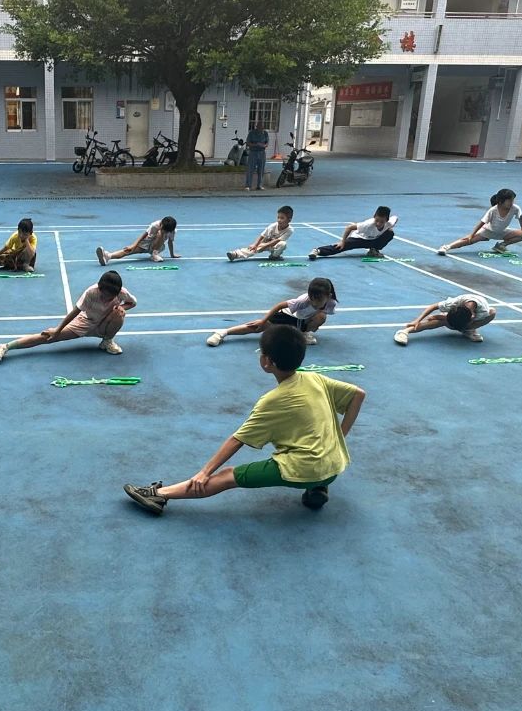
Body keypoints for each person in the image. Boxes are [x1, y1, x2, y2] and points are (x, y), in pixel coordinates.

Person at [123, 324, 365, 515]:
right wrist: (340, 437)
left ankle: (159, 495)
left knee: (227, 476)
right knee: (311, 438)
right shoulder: (316, 378)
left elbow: (237, 440)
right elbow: (358, 395)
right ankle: (318, 487)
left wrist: (204, 472)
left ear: (267, 362)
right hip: (335, 465)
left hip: (304, 468)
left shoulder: (272, 401)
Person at [0, 269, 135, 361]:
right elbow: (74, 312)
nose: (107, 299)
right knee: (47, 337)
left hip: (104, 323)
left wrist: (121, 307)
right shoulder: (91, 292)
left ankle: (107, 341)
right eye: (104, 295)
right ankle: (5, 347)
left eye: (111, 297)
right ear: (100, 288)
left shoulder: (121, 292)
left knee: (119, 313)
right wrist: (57, 330)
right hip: (85, 322)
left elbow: (132, 303)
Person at [206, 277, 337, 348]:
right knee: (258, 328)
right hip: (287, 315)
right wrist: (263, 321)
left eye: (318, 299)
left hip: (302, 320)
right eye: (312, 298)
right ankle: (222, 333)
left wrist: (310, 325)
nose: (314, 302)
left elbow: (319, 315)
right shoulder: (302, 301)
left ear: (328, 296)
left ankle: (304, 333)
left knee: (321, 316)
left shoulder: (331, 303)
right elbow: (279, 305)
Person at [437, 188, 522, 255]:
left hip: (502, 232)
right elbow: (482, 222)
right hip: (488, 231)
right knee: (467, 240)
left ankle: (501, 245)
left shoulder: (515, 208)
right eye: (509, 200)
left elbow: (520, 216)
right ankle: (446, 247)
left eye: (513, 200)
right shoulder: (493, 210)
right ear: (501, 201)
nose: (512, 202)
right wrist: (472, 234)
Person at [393, 293, 495, 345]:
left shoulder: (483, 312)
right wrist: (417, 320)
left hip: (472, 318)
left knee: (492, 312)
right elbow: (433, 306)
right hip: (461, 316)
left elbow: (470, 320)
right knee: (439, 322)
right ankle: (404, 331)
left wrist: (438, 316)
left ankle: (469, 330)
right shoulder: (454, 303)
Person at [310, 206, 398, 259]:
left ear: (387, 220)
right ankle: (317, 251)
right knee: (340, 247)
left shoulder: (389, 223)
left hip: (373, 241)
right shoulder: (367, 224)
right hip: (359, 239)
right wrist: (342, 241)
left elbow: (395, 217)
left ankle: (373, 250)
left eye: (382, 222)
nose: (378, 223)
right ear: (374, 216)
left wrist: (389, 228)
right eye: (377, 220)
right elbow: (349, 227)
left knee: (390, 233)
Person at [95, 216, 179, 264]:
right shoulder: (154, 225)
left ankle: (154, 254)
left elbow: (170, 242)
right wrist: (133, 245)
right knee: (128, 251)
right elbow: (144, 235)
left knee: (160, 234)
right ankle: (108, 256)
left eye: (166, 231)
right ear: (161, 224)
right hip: (146, 243)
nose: (164, 231)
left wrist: (172, 254)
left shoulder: (172, 231)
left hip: (157, 247)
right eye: (162, 228)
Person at [227, 206, 293, 261]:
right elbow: (262, 235)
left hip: (274, 244)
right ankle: (235, 254)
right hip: (265, 241)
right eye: (278, 217)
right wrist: (255, 245)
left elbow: (278, 240)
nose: (279, 220)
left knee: (283, 244)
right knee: (253, 249)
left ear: (289, 220)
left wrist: (264, 246)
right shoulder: (273, 226)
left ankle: (274, 256)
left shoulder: (290, 230)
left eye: (282, 218)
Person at [243, 123, 269, 192]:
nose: (261, 129)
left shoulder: (265, 133)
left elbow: (267, 143)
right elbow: (248, 143)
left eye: (262, 127)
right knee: (250, 169)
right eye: (259, 127)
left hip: (262, 152)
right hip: (253, 152)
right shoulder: (251, 133)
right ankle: (248, 186)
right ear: (256, 127)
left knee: (261, 170)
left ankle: (259, 185)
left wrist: (263, 145)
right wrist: (255, 144)